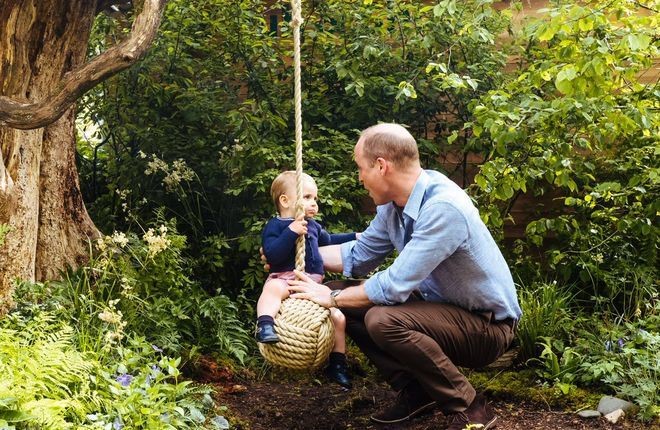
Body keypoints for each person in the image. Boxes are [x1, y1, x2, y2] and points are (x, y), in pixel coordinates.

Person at [286, 123, 522, 429]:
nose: (359, 178)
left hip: (486, 328)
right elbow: (358, 257)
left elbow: (394, 286)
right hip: (441, 312)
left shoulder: (443, 208)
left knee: (381, 319)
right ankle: (417, 391)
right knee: (344, 297)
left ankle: (471, 408)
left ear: (381, 166)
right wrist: (291, 261)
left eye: (361, 168)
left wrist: (330, 298)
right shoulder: (394, 206)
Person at [256, 170, 357, 389]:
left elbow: (329, 240)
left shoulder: (312, 225)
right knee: (272, 288)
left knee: (338, 318)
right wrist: (291, 232)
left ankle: (337, 364)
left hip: (312, 285)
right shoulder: (276, 226)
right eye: (307, 197)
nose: (314, 204)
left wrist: (355, 236)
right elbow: (272, 254)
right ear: (285, 200)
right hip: (286, 279)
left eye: (315, 199)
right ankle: (264, 324)